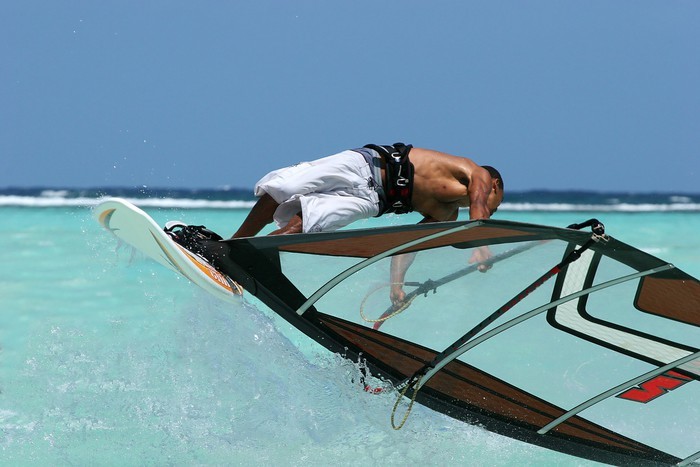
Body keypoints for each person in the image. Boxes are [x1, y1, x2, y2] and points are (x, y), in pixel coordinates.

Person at [232, 143, 504, 305]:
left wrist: (396, 285)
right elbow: (479, 207)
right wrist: (482, 245)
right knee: (285, 187)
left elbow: (410, 245)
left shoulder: (447, 214)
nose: (493, 210)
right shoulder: (476, 172)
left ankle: (243, 256)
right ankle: (232, 242)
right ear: (494, 185)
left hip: (372, 201)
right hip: (364, 166)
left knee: (306, 226)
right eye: (497, 203)